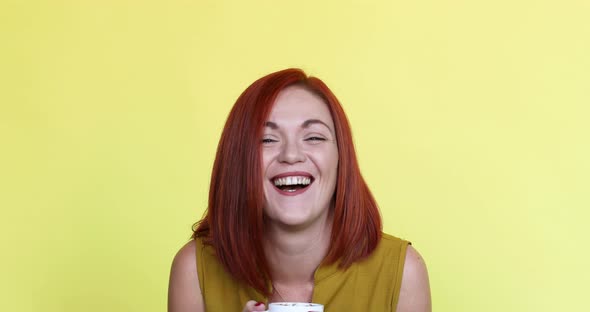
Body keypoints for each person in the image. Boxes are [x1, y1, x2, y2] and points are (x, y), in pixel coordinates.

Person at [168, 68, 431, 312]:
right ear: (239, 159)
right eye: (267, 139)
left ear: (341, 158)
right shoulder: (194, 270)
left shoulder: (403, 272)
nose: (291, 155)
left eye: (314, 137)